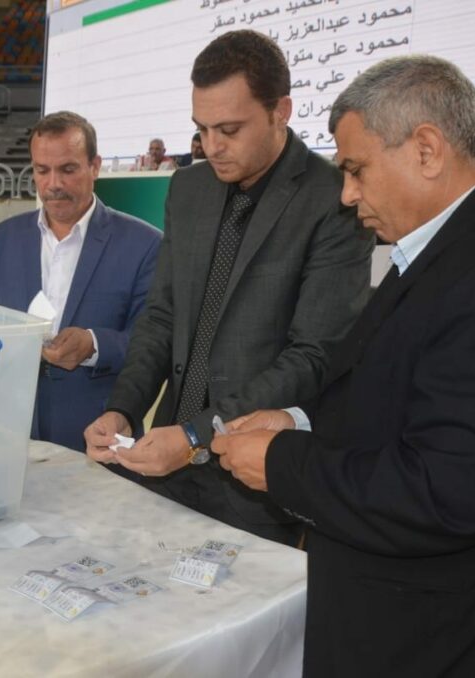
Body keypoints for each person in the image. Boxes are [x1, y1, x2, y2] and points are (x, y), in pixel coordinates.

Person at [210, 55, 475, 677]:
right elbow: (397, 383)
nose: (347, 194)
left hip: (434, 638)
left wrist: (282, 464)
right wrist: (298, 420)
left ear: (426, 150)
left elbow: (449, 492)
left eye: (356, 169)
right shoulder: (465, 237)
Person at [83, 29, 373, 546]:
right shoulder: (188, 188)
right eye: (202, 129)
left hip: (254, 485)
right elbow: (162, 315)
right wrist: (122, 409)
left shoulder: (333, 198)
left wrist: (197, 435)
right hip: (163, 464)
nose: (211, 146)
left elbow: (314, 354)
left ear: (281, 111)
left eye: (230, 129)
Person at [0, 111, 161, 451]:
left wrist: (94, 344)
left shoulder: (144, 245)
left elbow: (154, 341)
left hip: (97, 431)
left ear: (95, 166)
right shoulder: (3, 239)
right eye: (42, 170)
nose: (53, 184)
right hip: (10, 429)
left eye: (68, 169)